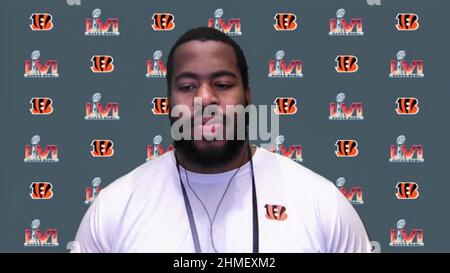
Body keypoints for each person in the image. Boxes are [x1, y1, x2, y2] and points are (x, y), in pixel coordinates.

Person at [72, 27, 372, 253]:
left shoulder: (321, 204)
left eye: (223, 84)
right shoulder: (114, 208)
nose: (205, 99)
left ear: (247, 96)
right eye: (188, 86)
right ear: (167, 101)